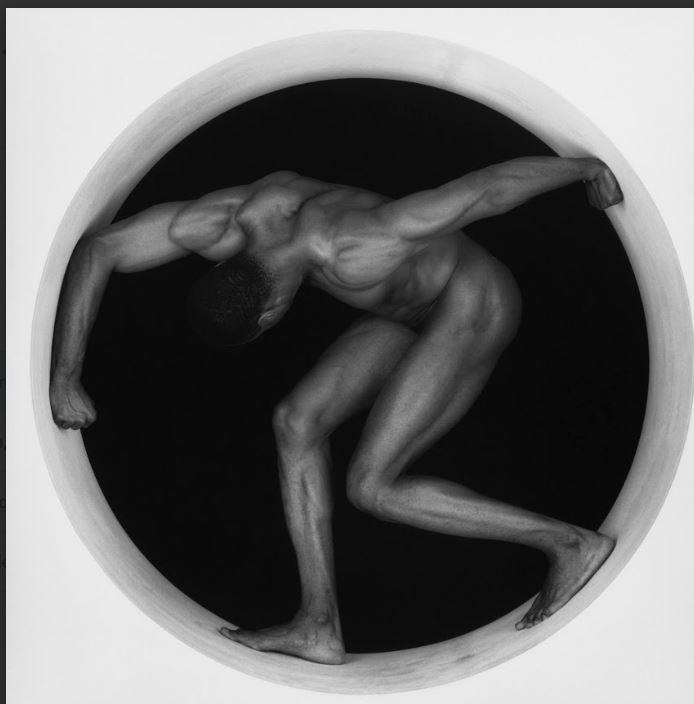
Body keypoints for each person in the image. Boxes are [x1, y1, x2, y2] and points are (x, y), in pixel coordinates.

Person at [50, 157, 623, 664]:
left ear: (269, 316)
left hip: (471, 300)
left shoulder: (360, 243)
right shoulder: (232, 218)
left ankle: (569, 542)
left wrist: (584, 170)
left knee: (373, 487)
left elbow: (483, 192)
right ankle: (318, 625)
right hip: (405, 313)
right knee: (296, 423)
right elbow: (103, 248)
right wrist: (66, 376)